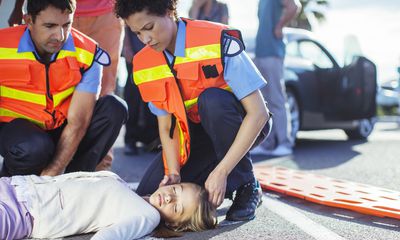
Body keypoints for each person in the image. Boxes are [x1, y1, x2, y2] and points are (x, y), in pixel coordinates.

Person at [115, 0, 272, 222]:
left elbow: (259, 114)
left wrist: (221, 172)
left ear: (170, 11)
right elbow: (167, 125)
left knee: (212, 100)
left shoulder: (217, 39)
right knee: (147, 198)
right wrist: (173, 172)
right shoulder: (144, 63)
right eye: (137, 33)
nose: (145, 40)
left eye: (149, 28)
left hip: (242, 124)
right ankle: (210, 176)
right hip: (195, 137)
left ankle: (247, 184)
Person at [0, 0, 127, 177]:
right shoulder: (2, 46)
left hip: (62, 126)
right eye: (50, 26)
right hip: (18, 132)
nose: (59, 36)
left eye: (66, 25)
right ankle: (13, 187)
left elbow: (78, 122)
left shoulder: (88, 53)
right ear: (28, 21)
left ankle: (73, 183)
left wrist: (51, 175)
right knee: (34, 147)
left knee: (114, 108)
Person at [0, 171, 217, 240]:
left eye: (176, 207)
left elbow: (120, 232)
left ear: (174, 224)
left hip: (24, 213)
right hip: (17, 185)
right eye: (176, 190)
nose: (169, 197)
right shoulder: (131, 192)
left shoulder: (147, 216)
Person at [252, 0, 301, 157]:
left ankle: (284, 143)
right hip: (261, 52)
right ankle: (267, 143)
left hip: (273, 52)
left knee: (277, 98)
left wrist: (280, 26)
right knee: (264, 100)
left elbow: (294, 6)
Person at [122, 26, 159, 155]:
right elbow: (124, 22)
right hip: (134, 52)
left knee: (152, 97)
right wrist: (126, 45)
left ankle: (150, 140)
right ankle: (130, 140)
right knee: (133, 98)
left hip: (153, 52)